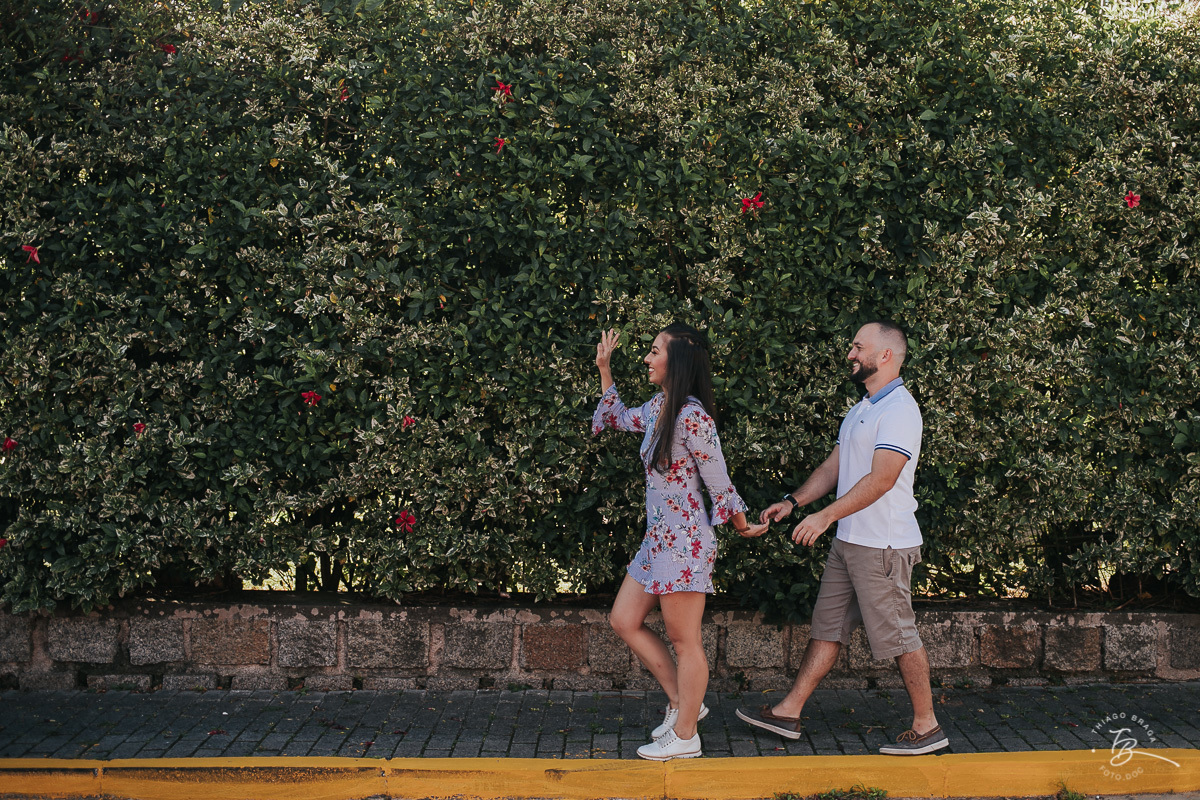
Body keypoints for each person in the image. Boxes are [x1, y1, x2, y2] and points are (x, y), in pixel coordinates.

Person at [736, 320, 949, 755]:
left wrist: (825, 517)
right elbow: (835, 467)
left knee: (899, 635)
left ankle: (927, 726)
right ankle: (789, 711)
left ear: (885, 355)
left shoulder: (900, 411)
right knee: (828, 628)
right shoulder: (864, 407)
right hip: (851, 541)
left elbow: (883, 478)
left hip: (883, 545)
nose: (850, 354)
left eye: (858, 347)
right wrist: (794, 502)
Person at [592, 323, 768, 761]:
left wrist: (742, 525)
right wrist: (603, 368)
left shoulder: (692, 417)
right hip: (658, 542)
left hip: (686, 545)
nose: (647, 359)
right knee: (623, 619)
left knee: (684, 639)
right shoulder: (658, 407)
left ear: (678, 361)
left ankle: (687, 735)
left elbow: (719, 481)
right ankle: (682, 703)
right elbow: (617, 416)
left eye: (654, 352)